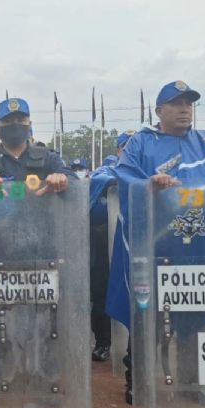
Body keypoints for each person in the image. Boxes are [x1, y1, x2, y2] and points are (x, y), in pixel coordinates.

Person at [106, 81, 205, 405]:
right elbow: (124, 177)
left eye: (189, 103)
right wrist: (149, 184)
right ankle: (138, 381)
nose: (185, 109)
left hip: (201, 251)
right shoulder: (142, 143)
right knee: (149, 317)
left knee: (196, 319)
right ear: (159, 111)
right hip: (157, 250)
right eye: (176, 103)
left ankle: (191, 384)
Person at [0, 97, 74, 194]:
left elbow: (74, 180)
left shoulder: (48, 158)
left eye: (21, 120)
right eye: (8, 121)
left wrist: (62, 179)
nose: (15, 125)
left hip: (41, 222)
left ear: (29, 124)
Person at [87, 130, 134, 362]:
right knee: (102, 295)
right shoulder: (108, 170)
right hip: (106, 246)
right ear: (119, 150)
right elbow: (98, 179)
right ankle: (103, 342)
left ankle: (137, 349)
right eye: (127, 146)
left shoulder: (151, 171)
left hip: (137, 246)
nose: (131, 149)